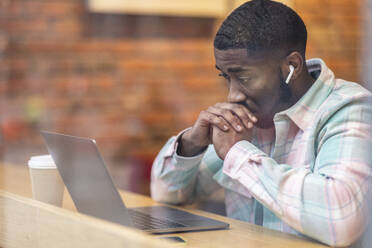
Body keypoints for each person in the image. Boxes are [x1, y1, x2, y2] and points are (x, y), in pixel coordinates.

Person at [150, 0, 372, 246]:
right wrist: (190, 145)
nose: (232, 95)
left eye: (243, 77)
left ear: (292, 66)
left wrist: (240, 155)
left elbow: (340, 221)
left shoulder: (350, 108)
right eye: (226, 77)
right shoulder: (248, 117)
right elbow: (166, 194)